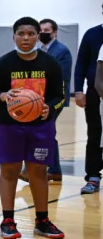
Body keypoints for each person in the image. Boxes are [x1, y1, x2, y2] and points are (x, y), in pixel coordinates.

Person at [0, 17, 65, 239]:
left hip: (40, 128)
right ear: (14, 36)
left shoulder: (50, 64)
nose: (26, 38)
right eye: (21, 34)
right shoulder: (3, 64)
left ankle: (42, 221)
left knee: (38, 172)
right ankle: (7, 220)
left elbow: (60, 96)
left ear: (38, 36)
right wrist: (2, 96)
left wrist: (49, 108)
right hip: (9, 127)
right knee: (9, 172)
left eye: (30, 34)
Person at [36, 19, 72, 183]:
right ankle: (54, 170)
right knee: (46, 131)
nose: (43, 33)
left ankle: (35, 169)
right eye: (41, 30)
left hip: (55, 99)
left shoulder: (62, 51)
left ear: (55, 32)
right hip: (40, 98)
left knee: (44, 130)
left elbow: (62, 77)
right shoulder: (39, 51)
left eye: (47, 30)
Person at [73, 16, 103, 194]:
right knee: (95, 134)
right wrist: (78, 90)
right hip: (95, 92)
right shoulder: (92, 34)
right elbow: (81, 63)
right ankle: (93, 176)